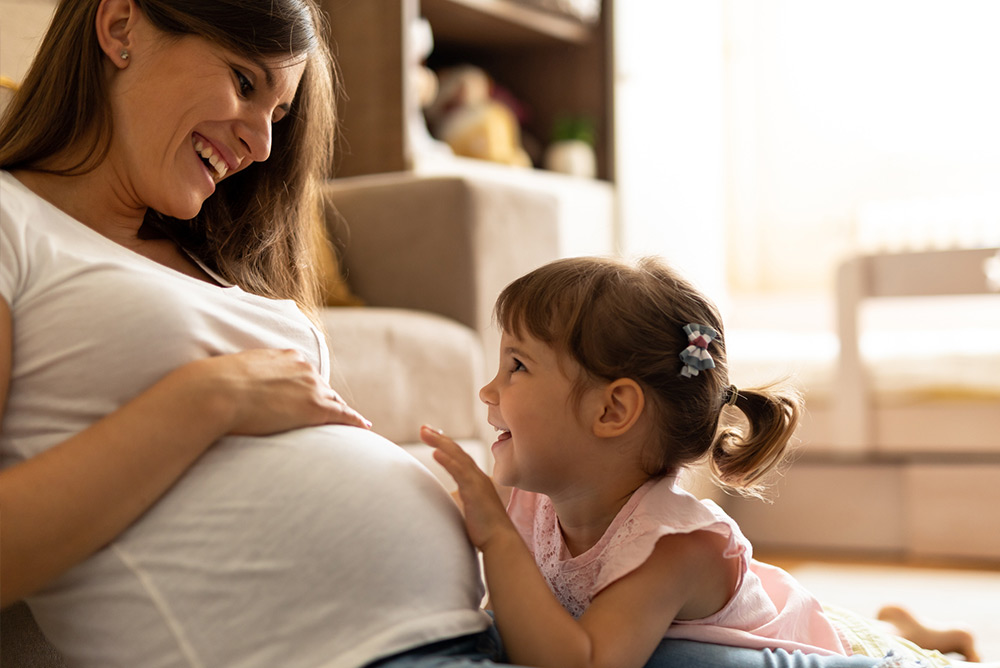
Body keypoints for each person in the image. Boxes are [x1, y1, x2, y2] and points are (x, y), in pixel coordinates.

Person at [0, 1, 895, 666]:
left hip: (493, 631)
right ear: (119, 25)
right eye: (244, 82)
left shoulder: (207, 254)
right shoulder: (12, 222)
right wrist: (208, 399)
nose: (263, 147)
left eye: (277, 111)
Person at [422, 256, 981, 668]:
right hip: (810, 614)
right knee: (855, 625)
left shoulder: (676, 548)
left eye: (516, 366)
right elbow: (422, 531)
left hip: (816, 648)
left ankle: (910, 641)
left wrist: (495, 538)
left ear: (613, 408)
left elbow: (583, 663)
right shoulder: (526, 493)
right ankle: (899, 623)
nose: (488, 391)